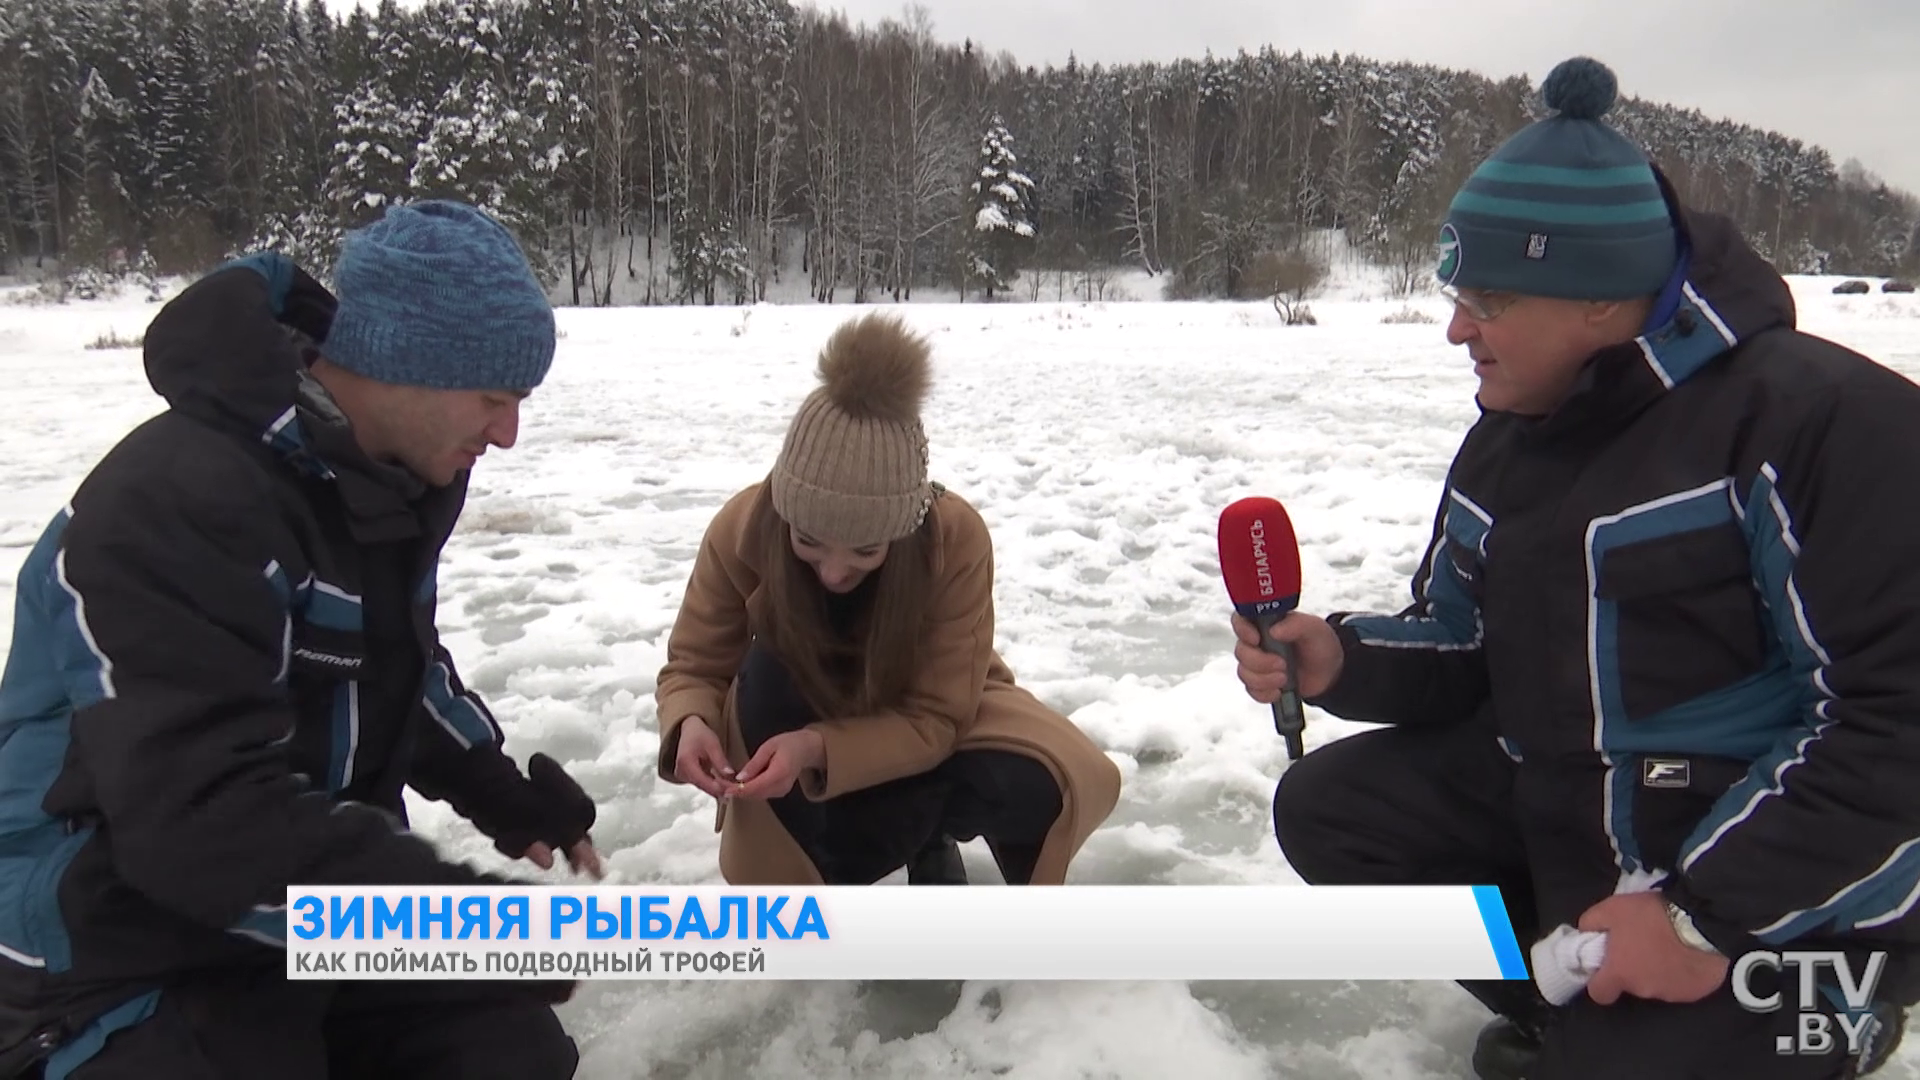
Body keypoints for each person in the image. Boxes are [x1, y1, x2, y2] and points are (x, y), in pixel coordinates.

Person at [1236, 57, 1918, 1080]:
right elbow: (1467, 639)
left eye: (1489, 299)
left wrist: (1696, 920)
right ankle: (1583, 1006)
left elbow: (1896, 728)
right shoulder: (1513, 434)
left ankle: (1833, 1014)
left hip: (1770, 887)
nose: (1457, 328)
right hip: (1580, 824)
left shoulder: (1820, 422)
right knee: (1338, 812)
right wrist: (1342, 659)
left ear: (1602, 301)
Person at [0, 200, 600, 1080]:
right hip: (107, 935)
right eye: (496, 398)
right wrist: (454, 924)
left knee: (506, 1053)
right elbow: (199, 821)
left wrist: (505, 797)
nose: (507, 433)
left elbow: (394, 666)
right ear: (410, 367)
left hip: (290, 906)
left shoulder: (382, 487)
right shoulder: (177, 503)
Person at [656, 312, 1120, 887]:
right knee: (766, 676)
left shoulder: (956, 539)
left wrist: (819, 748)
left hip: (918, 729)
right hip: (797, 726)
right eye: (808, 541)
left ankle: (928, 832)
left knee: (1037, 783)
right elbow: (695, 664)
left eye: (865, 551)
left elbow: (938, 714)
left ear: (902, 528)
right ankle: (832, 856)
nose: (832, 571)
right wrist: (691, 721)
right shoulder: (741, 528)